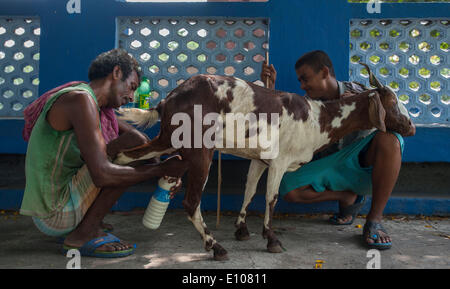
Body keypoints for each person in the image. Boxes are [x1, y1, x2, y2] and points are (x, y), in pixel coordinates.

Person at [20, 49, 188, 258]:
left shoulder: (95, 104)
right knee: (122, 155)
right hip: (55, 214)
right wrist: (161, 169)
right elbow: (102, 174)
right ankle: (83, 234)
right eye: (131, 87)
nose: (131, 96)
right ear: (116, 72)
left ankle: (88, 223)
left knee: (134, 143)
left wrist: (163, 173)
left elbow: (139, 140)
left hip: (60, 204)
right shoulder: (80, 100)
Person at [261, 50, 415, 250]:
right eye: (300, 81)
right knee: (287, 188)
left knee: (391, 140)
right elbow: (281, 133)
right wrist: (269, 90)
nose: (302, 86)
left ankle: (374, 221)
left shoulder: (363, 92)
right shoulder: (307, 105)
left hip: (366, 165)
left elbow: (409, 129)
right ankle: (347, 197)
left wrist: (363, 107)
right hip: (332, 167)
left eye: (305, 79)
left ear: (325, 72)